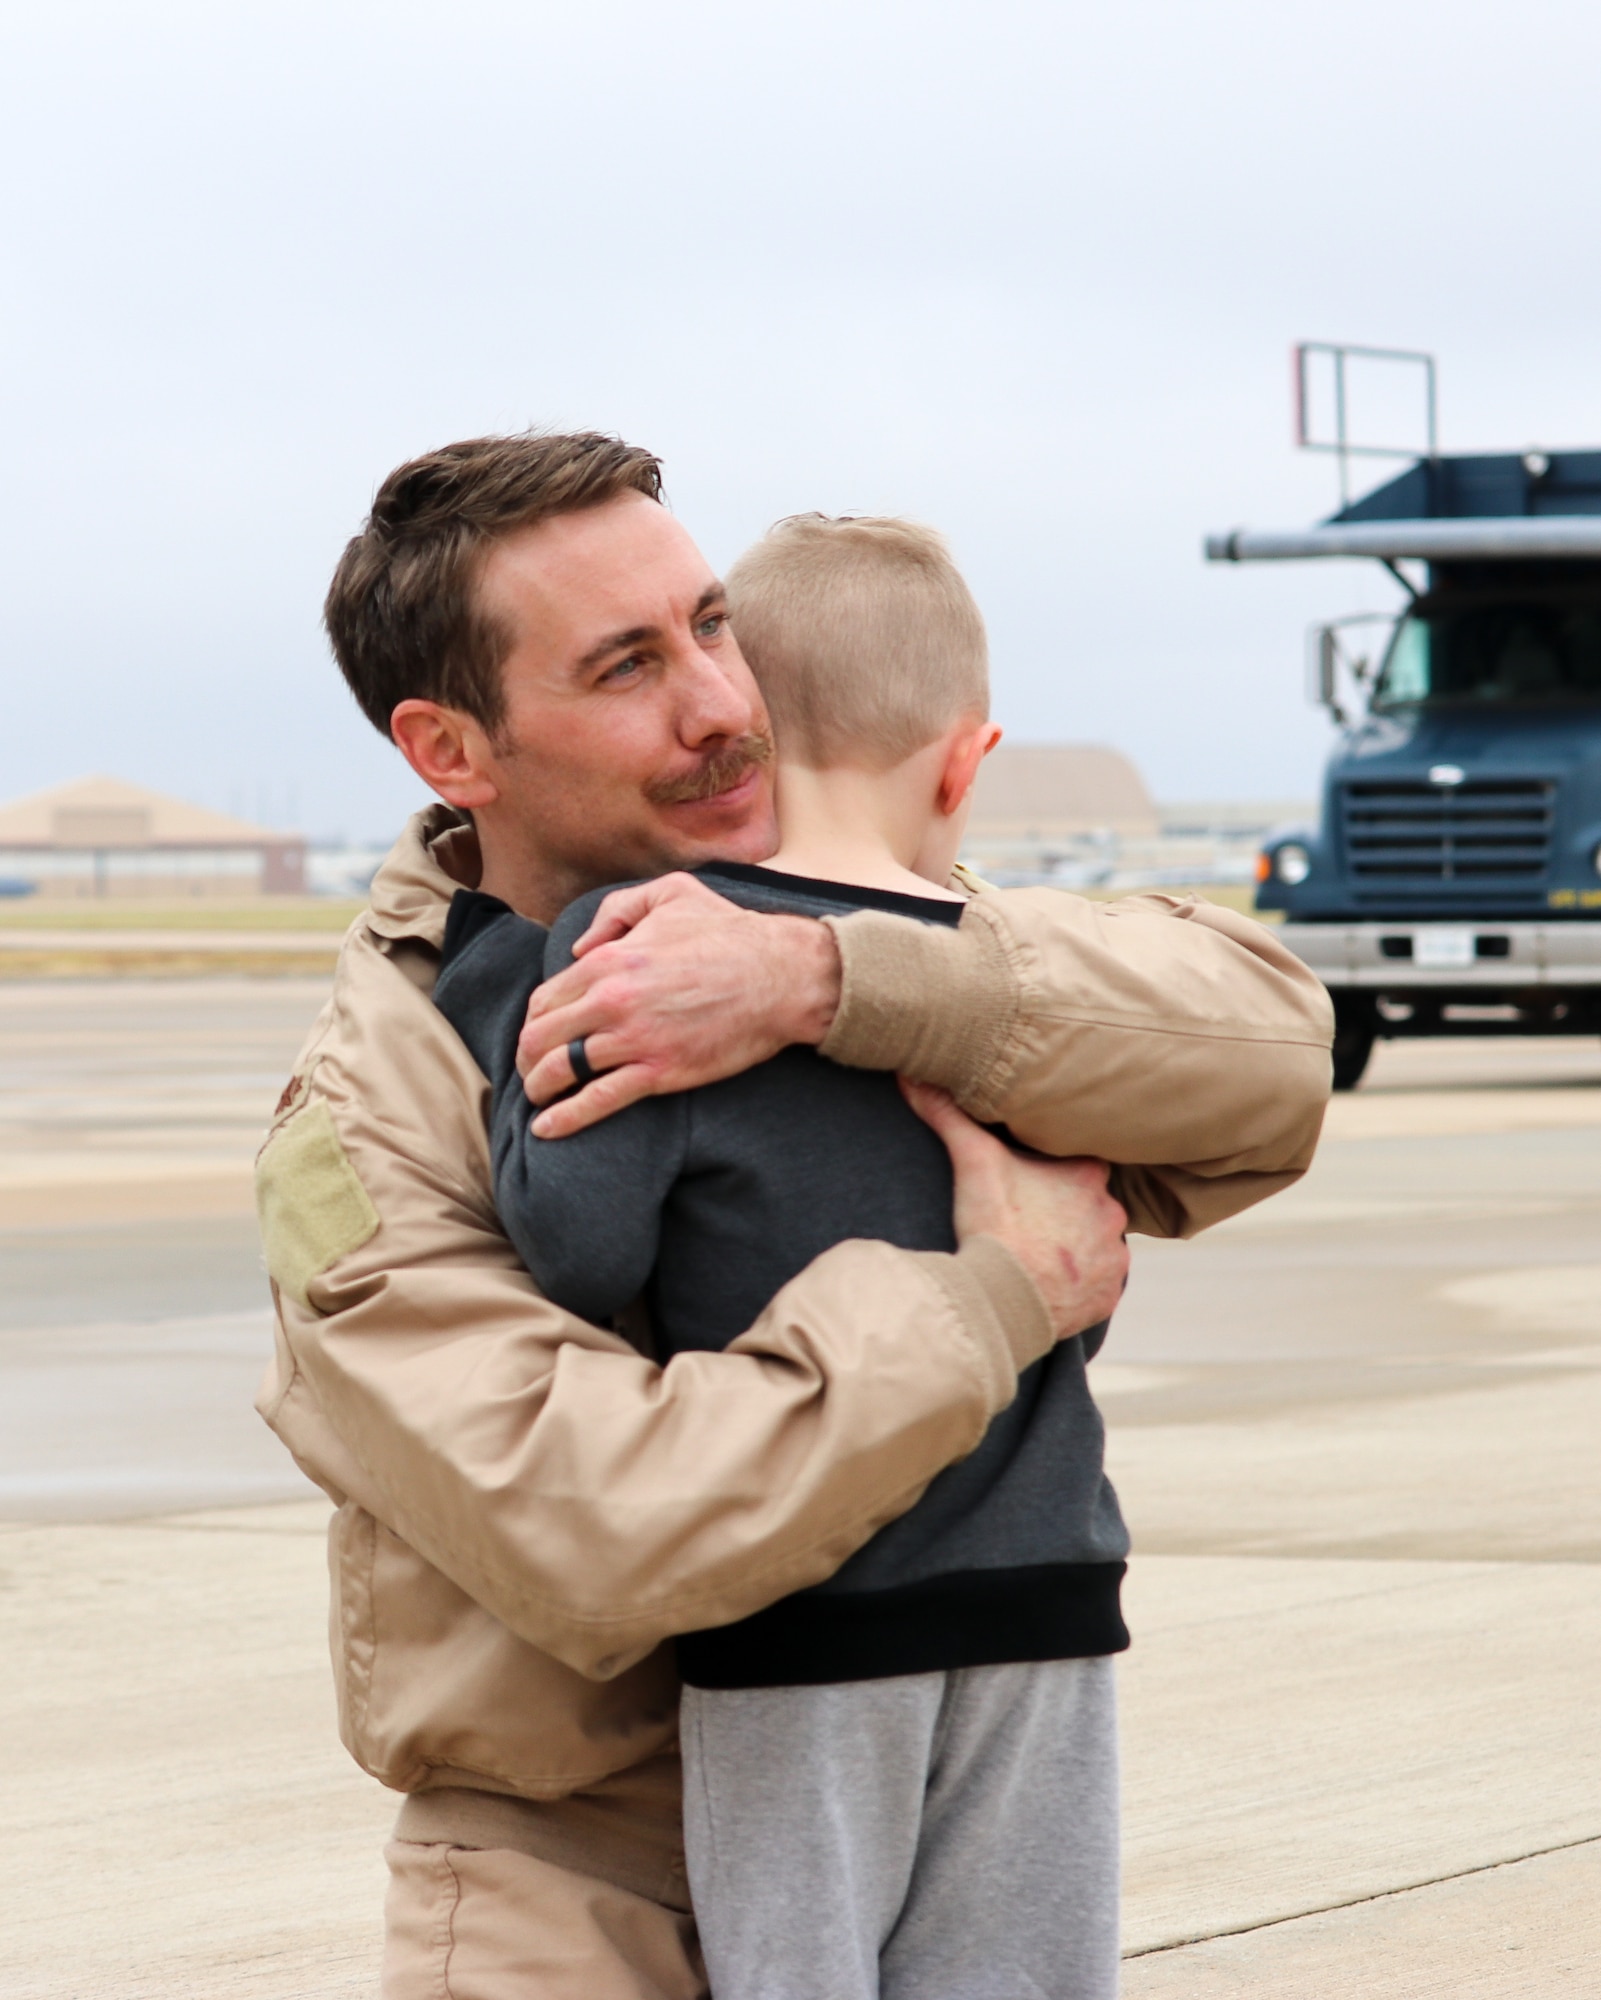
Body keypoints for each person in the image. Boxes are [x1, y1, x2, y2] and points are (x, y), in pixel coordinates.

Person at [254, 431, 1333, 1999]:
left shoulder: (851, 920)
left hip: (935, 1820)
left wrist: (830, 980)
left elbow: (1270, 1062)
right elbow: (601, 1523)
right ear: (451, 750)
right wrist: (992, 1301)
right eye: (626, 666)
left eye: (712, 626)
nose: (720, 706)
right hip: (586, 1904)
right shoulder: (372, 1108)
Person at [433, 511, 1134, 1999]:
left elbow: (572, 1250)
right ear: (964, 763)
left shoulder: (639, 956)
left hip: (806, 1610)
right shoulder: (1002, 983)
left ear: (752, 722)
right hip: (1047, 1585)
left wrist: (508, 994)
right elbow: (1077, 1274)